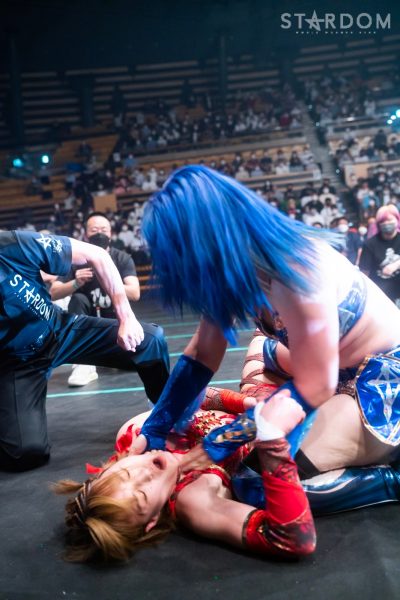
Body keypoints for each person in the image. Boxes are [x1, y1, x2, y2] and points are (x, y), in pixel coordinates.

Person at [130, 165, 400, 478]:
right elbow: (203, 353)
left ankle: (390, 479)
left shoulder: (297, 270)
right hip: (328, 367)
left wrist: (215, 447)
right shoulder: (237, 268)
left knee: (259, 481)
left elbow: (315, 387)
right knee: (262, 348)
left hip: (380, 382)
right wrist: (155, 427)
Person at [55, 392, 317, 562]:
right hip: (294, 425)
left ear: (109, 467)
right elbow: (293, 539)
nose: (144, 474)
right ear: (152, 520)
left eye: (126, 474)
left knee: (269, 340)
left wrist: (245, 403)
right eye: (142, 494)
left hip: (260, 394)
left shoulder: (133, 434)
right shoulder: (194, 501)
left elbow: (197, 396)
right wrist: (271, 439)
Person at [0, 229, 169, 472]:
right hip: (17, 362)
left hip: (59, 330)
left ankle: (167, 413)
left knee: (150, 340)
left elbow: (97, 255)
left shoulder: (11, 244)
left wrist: (126, 318)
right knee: (25, 453)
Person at [50, 212, 144, 386]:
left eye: (103, 229)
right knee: (77, 299)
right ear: (86, 234)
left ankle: (116, 353)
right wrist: (75, 283)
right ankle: (83, 364)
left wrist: (108, 280)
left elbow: (134, 292)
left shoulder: (122, 258)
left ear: (111, 234)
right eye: (94, 230)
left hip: (116, 325)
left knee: (139, 359)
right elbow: (53, 293)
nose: (99, 233)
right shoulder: (75, 261)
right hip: (88, 327)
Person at [359, 205, 400, 308]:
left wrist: (396, 264)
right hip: (380, 295)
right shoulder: (370, 244)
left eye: (390, 220)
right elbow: (364, 272)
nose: (386, 223)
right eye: (383, 221)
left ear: (397, 220)